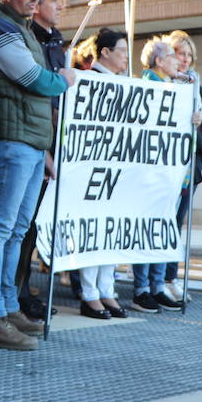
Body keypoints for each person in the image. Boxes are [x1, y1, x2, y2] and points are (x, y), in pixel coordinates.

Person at [0, 0, 74, 351]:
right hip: (9, 140)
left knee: (14, 230)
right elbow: (33, 79)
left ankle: (8, 308)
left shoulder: (21, 29)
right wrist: (61, 80)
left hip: (29, 141)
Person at [13, 0, 67, 320]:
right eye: (54, 1)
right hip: (32, 140)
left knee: (32, 227)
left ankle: (23, 291)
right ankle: (14, 294)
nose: (60, 6)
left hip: (49, 141)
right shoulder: (27, 38)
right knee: (20, 225)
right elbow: (39, 92)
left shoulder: (56, 41)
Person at [131, 38, 189, 313]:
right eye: (171, 56)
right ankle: (141, 288)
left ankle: (157, 286)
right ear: (158, 62)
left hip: (170, 174)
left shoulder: (176, 87)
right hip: (151, 175)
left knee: (160, 231)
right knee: (146, 231)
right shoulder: (147, 87)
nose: (177, 60)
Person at [77, 28, 130, 320]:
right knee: (93, 231)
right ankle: (89, 294)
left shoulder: (122, 84)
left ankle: (106, 289)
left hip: (117, 171)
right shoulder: (88, 81)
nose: (126, 56)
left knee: (112, 231)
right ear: (106, 52)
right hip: (92, 171)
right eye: (122, 50)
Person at [164, 29, 202, 304]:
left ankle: (170, 277)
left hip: (188, 166)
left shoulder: (196, 86)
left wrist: (197, 126)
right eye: (179, 53)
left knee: (176, 224)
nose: (184, 59)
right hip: (165, 167)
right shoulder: (160, 83)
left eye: (189, 55)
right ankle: (154, 280)